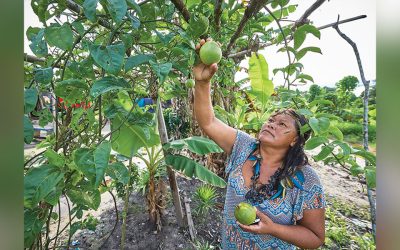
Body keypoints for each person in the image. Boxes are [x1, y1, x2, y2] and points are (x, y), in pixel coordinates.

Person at [193, 39, 326, 249]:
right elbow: (208, 122)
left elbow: (315, 238)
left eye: (282, 124)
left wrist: (272, 228)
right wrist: (202, 82)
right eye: (271, 120)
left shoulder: (306, 179)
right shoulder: (244, 147)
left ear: (295, 140)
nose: (272, 124)